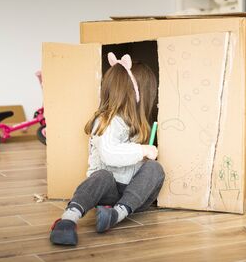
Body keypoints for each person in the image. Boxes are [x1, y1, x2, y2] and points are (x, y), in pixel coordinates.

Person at [49, 52, 165, 246]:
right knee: (101, 176)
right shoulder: (107, 121)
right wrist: (142, 150)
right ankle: (68, 219)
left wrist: (145, 156)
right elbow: (110, 154)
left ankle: (116, 214)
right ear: (139, 95)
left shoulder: (138, 123)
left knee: (155, 170)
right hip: (108, 192)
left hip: (133, 198)